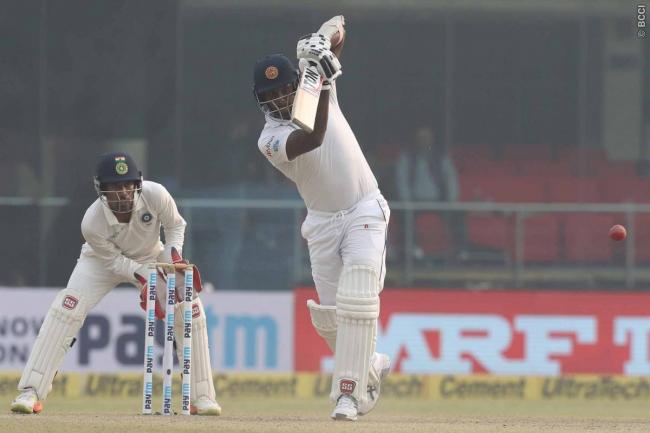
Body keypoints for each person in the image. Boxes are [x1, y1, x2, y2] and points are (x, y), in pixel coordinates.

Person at [253, 16, 391, 421]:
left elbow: (338, 26)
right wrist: (324, 80)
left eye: (284, 89)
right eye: (270, 95)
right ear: (260, 100)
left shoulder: (311, 83)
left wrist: (319, 45)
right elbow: (311, 136)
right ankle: (369, 365)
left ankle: (347, 395)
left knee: (358, 294)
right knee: (331, 318)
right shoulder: (269, 139)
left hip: (364, 208)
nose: (279, 99)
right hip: (322, 223)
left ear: (295, 83)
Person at [10, 152, 221, 416]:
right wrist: (143, 275)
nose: (122, 193)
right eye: (114, 186)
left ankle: (202, 397)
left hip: (150, 255)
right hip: (101, 262)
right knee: (67, 308)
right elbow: (114, 262)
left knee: (190, 309)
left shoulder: (156, 194)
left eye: (127, 185)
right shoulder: (92, 221)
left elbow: (176, 226)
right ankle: (31, 392)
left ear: (137, 184)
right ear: (101, 189)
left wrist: (173, 255)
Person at [395, 126, 466, 259]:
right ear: (415, 139)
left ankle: (461, 252)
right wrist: (407, 203)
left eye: (427, 137)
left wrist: (451, 201)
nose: (424, 141)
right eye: (421, 138)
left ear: (432, 139)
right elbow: (402, 182)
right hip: (414, 202)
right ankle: (414, 250)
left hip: (438, 201)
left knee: (458, 215)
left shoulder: (441, 158)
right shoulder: (406, 158)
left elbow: (451, 179)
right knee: (403, 216)